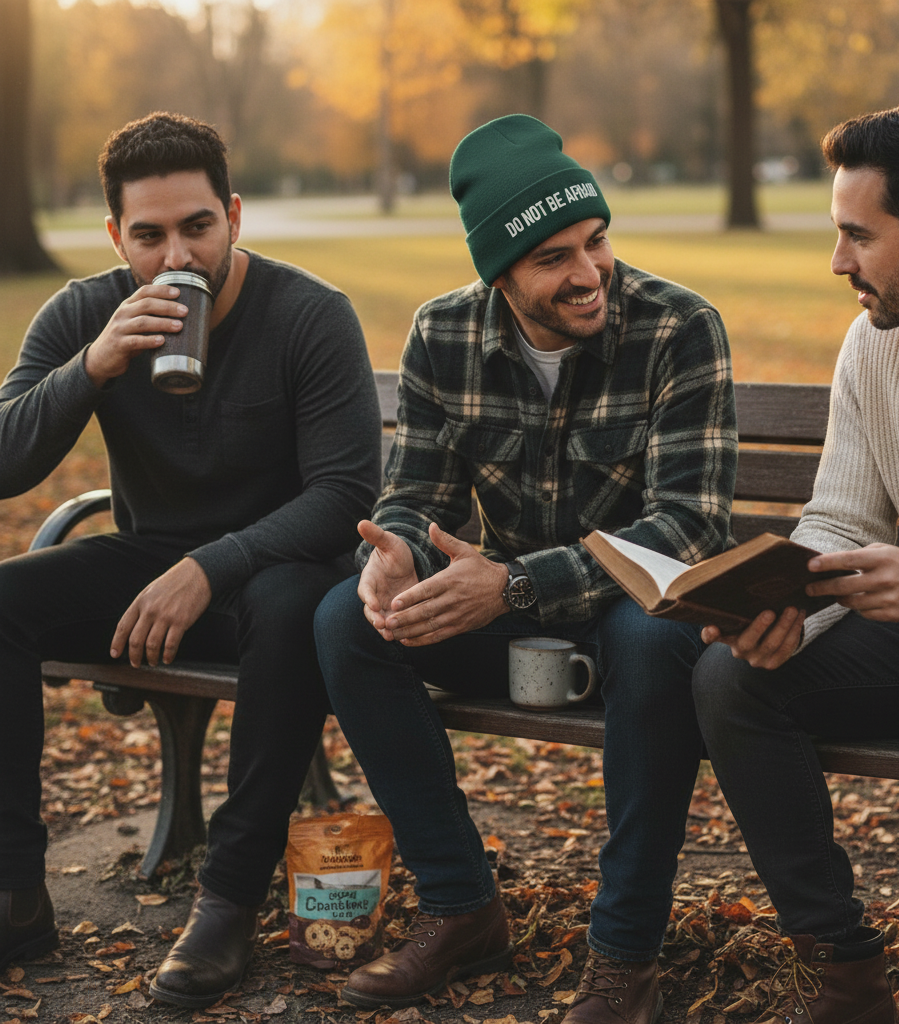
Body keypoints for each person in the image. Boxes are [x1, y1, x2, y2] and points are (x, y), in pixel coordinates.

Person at [313, 113, 737, 1024]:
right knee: (345, 620)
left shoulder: (679, 328)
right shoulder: (444, 334)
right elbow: (413, 499)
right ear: (498, 274)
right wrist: (391, 558)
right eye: (553, 258)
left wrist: (513, 581)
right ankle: (462, 907)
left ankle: (626, 958)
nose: (588, 273)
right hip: (505, 609)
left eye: (595, 240)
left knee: (652, 634)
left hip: (626, 607)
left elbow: (691, 527)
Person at [0, 112, 381, 1009]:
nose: (178, 254)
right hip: (147, 562)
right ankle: (15, 893)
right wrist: (91, 366)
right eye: (150, 234)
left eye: (197, 227)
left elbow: (344, 497)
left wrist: (215, 564)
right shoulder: (85, 313)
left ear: (235, 216)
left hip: (279, 572)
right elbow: (7, 461)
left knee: (294, 605)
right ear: (116, 237)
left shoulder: (310, 315)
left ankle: (229, 900)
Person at [692, 97, 899, 1024]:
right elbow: (840, 518)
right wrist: (786, 599)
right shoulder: (876, 342)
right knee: (731, 679)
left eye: (857, 236)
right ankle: (842, 972)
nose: (838, 263)